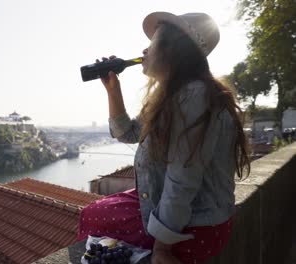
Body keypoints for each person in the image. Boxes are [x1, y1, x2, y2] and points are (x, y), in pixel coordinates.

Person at [77, 12, 251, 264]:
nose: (144, 50)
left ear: (173, 50)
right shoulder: (175, 95)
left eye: (153, 43)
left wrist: (162, 249)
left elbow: (182, 180)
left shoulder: (193, 97)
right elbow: (127, 133)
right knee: (94, 212)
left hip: (196, 224)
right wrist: (113, 90)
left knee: (93, 217)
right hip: (178, 209)